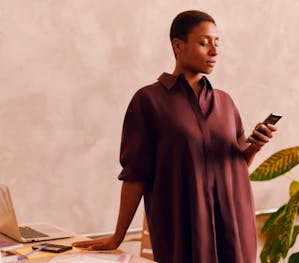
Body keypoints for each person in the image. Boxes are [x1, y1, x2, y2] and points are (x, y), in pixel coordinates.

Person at [73, 10, 277, 263]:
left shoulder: (224, 102)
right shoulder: (149, 101)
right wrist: (118, 236)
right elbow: (135, 174)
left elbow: (236, 166)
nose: (214, 51)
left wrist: (254, 147)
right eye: (204, 43)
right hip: (183, 230)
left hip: (233, 226)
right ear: (178, 45)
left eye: (217, 43)